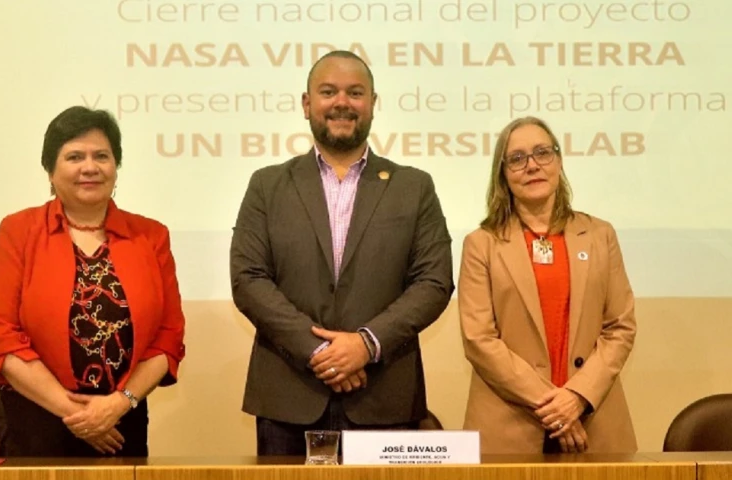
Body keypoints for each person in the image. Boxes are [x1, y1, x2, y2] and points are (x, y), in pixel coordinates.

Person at [230, 50, 454, 455]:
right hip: (288, 399)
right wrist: (322, 352)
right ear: (306, 104)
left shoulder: (414, 187)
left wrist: (366, 345)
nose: (342, 103)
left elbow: (434, 282)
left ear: (373, 103)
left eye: (355, 92)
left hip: (383, 398)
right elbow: (248, 280)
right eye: (328, 91)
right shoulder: (267, 185)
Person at [0, 106, 186, 457]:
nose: (90, 167)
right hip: (36, 419)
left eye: (101, 156)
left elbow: (169, 336)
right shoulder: (19, 231)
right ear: (50, 170)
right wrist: (77, 415)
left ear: (116, 166)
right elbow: (0, 335)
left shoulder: (151, 236)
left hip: (121, 421)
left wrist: (118, 404)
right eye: (74, 156)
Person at [458, 116, 637, 454]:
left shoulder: (600, 235)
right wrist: (556, 407)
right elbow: (478, 339)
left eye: (542, 152)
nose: (532, 166)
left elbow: (620, 327)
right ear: (502, 174)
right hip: (509, 425)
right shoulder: (481, 244)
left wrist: (577, 397)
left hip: (592, 421)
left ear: (558, 161)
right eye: (517, 158)